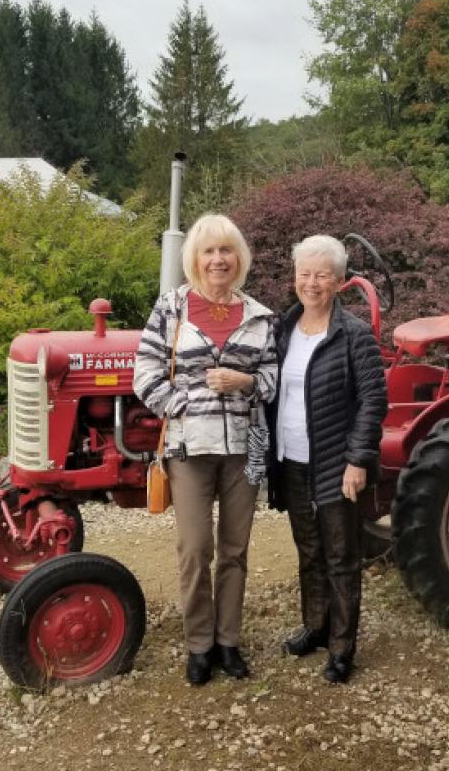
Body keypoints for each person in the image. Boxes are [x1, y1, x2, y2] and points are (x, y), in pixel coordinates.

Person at [133, 214, 278, 686]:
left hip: (241, 449)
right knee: (196, 549)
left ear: (239, 258)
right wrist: (184, 404)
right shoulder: (171, 308)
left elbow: (274, 380)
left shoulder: (259, 315)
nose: (218, 259)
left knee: (235, 550)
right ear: (194, 259)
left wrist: (247, 381)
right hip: (189, 448)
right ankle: (199, 644)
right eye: (209, 251)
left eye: (226, 250)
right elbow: (145, 373)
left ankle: (228, 642)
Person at [267, 234, 388, 684]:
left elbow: (373, 400)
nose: (311, 283)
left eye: (322, 275)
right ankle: (315, 626)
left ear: (339, 282)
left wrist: (358, 459)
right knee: (309, 550)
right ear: (295, 278)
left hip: (337, 462)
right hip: (292, 459)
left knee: (341, 555)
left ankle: (342, 647)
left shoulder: (353, 334)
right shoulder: (283, 329)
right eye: (304, 274)